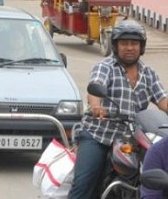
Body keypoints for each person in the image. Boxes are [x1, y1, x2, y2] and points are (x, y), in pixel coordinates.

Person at [68, 20, 168, 199]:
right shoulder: (105, 67)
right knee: (84, 184)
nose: (129, 48)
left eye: (134, 43)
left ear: (141, 46)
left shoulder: (148, 73)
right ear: (115, 46)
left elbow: (162, 100)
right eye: (124, 43)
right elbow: (96, 86)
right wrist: (97, 107)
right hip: (100, 134)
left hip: (133, 137)